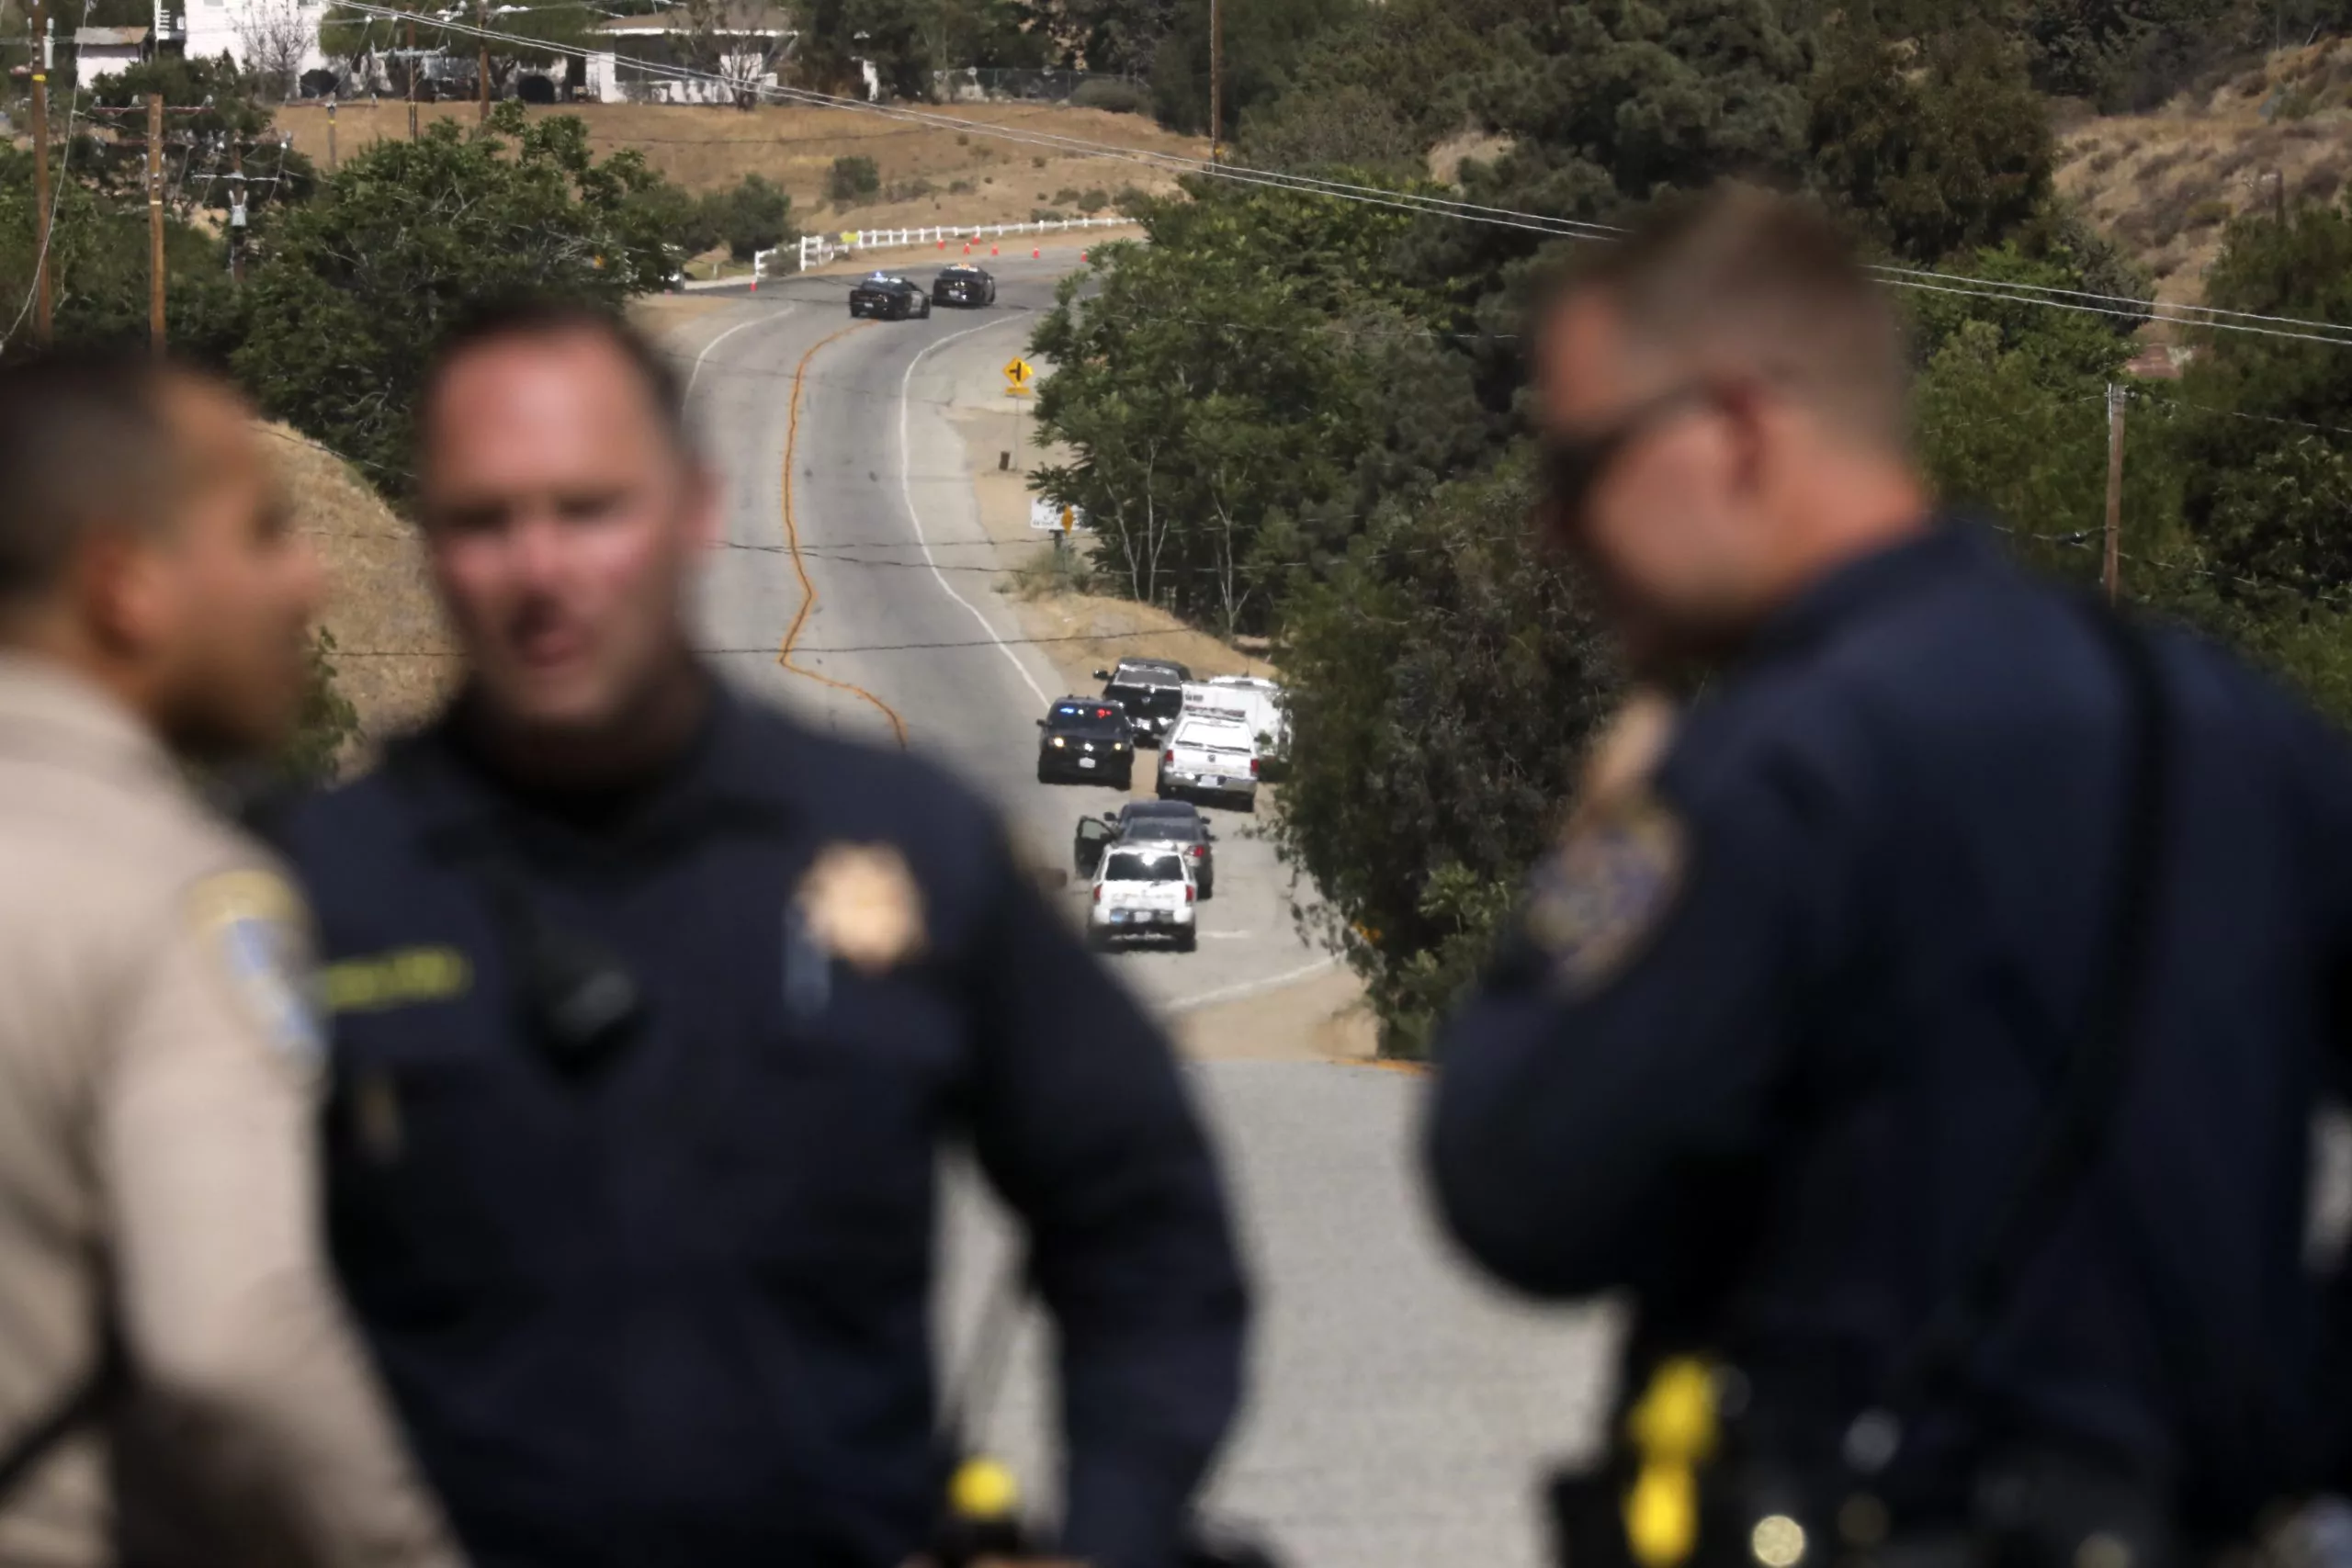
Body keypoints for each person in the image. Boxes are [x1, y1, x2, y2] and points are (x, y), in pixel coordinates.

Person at [1425, 186, 2347, 1568]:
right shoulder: (2228, 727)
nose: (1559, 530)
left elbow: (1520, 1184)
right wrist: (2291, 1412)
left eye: (1580, 469)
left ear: (1734, 427)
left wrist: (1601, 846)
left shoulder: (1773, 770)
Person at [277, 299, 1250, 1568]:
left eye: (589, 510)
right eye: (482, 522)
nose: (541, 570)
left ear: (691, 511)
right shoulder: (313, 894)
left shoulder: (902, 843)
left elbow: (1144, 1214)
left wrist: (1114, 1527)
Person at [0, 353, 461, 1567]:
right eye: (259, 532)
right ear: (125, 584)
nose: (307, 579)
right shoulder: (173, 897)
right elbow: (235, 1343)